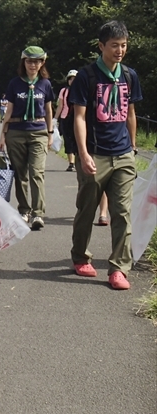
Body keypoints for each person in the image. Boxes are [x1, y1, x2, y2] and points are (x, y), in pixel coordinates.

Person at [69, 20, 142, 290]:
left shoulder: (130, 75)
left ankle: (118, 268)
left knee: (121, 213)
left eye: (123, 45)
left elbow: (131, 112)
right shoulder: (86, 77)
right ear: (101, 46)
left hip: (123, 154)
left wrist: (132, 146)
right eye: (114, 45)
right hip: (95, 154)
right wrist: (83, 153)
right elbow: (79, 117)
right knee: (87, 210)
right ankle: (79, 257)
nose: (120, 50)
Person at [0, 46, 55, 230]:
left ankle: (38, 214)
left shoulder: (45, 84)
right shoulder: (15, 83)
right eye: (29, 61)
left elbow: (48, 110)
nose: (33, 65)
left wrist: (50, 132)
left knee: (37, 172)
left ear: (42, 63)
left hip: (38, 131)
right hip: (16, 131)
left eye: (37, 61)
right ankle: (24, 210)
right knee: (20, 174)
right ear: (24, 62)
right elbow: (9, 110)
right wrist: (3, 134)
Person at [55, 69, 79, 171]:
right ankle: (71, 163)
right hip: (65, 118)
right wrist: (55, 119)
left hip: (78, 119)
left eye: (75, 79)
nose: (72, 81)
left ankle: (79, 162)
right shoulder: (64, 91)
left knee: (79, 140)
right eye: (70, 79)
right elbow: (60, 106)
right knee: (68, 140)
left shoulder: (81, 91)